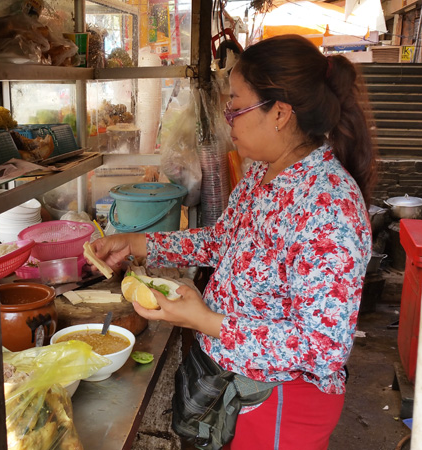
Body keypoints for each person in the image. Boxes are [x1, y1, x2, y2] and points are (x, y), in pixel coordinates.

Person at [89, 35, 376, 450]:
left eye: (237, 107)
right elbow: (221, 242)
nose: (228, 119)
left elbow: (323, 346)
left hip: (281, 404)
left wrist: (206, 321)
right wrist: (139, 244)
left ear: (280, 113)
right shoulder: (263, 174)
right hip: (235, 385)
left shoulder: (329, 206)